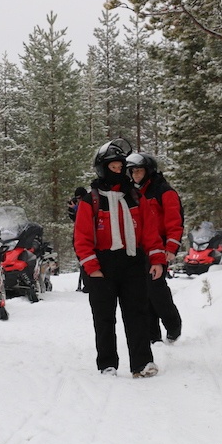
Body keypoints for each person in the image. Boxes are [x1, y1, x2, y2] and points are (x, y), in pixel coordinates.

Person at [73, 139, 166, 378]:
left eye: (120, 167)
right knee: (104, 319)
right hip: (101, 267)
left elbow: (150, 232)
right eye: (113, 167)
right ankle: (107, 364)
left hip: (133, 263)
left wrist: (157, 259)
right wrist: (92, 268)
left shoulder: (136, 197)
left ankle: (142, 363)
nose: (118, 171)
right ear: (103, 168)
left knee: (138, 315)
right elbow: (82, 238)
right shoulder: (90, 200)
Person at [126, 152, 183, 343]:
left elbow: (175, 222)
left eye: (139, 171)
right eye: (133, 172)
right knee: (143, 291)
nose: (136, 175)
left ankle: (173, 323)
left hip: (159, 247)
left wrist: (171, 248)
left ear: (148, 171)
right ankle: (153, 334)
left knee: (156, 288)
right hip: (139, 249)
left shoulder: (164, 191)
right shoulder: (133, 193)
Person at [67, 186, 90, 293]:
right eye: (78, 198)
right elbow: (75, 219)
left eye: (81, 198)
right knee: (82, 259)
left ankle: (89, 284)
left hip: (89, 235)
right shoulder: (77, 205)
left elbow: (86, 217)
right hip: (78, 235)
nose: (79, 200)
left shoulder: (89, 203)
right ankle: (87, 284)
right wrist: (73, 209)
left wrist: (77, 208)